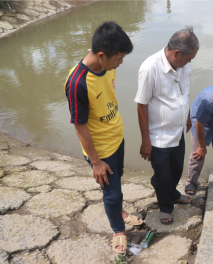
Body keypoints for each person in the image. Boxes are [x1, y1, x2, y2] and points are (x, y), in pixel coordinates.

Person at [64, 21, 142, 254]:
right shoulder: (77, 83)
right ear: (101, 55)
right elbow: (80, 126)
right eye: (118, 58)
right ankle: (118, 230)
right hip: (101, 150)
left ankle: (118, 212)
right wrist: (96, 162)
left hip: (117, 137)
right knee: (112, 192)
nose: (120, 63)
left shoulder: (107, 67)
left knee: (118, 179)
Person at [135, 26, 199, 225]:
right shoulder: (150, 68)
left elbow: (185, 94)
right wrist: (146, 140)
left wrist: (187, 117)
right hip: (158, 136)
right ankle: (165, 206)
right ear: (176, 52)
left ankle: (173, 194)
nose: (189, 63)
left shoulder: (184, 66)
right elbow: (142, 104)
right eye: (188, 58)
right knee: (162, 176)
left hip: (178, 130)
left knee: (176, 168)